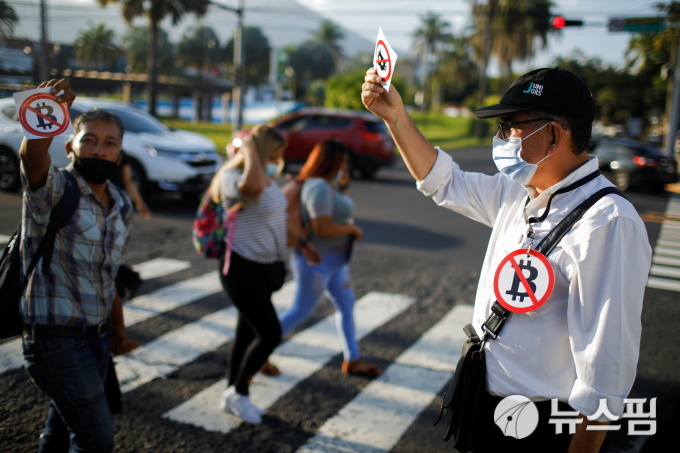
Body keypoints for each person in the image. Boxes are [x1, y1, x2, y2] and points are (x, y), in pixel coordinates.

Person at [361, 67, 652, 452]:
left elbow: (605, 371)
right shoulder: (518, 193)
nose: (501, 138)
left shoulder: (608, 222)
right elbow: (443, 181)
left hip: (538, 427)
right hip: (483, 404)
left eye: (511, 126)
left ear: (553, 133)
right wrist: (394, 116)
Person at [19, 79, 139, 452]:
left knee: (59, 432)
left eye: (109, 143)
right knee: (95, 438)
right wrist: (44, 108)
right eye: (88, 139)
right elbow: (31, 158)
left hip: (97, 338)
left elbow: (110, 274)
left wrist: (117, 331)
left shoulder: (121, 203)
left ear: (119, 155)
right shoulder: (55, 190)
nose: (98, 150)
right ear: (70, 145)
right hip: (55, 342)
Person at [215, 124, 318, 425]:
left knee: (245, 332)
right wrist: (248, 150)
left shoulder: (268, 179)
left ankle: (231, 393)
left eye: (279, 153)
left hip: (264, 269)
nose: (278, 159)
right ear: (258, 153)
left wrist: (303, 243)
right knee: (270, 333)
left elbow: (280, 217)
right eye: (272, 154)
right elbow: (252, 190)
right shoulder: (232, 177)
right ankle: (240, 393)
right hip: (240, 268)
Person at [278, 139, 381, 377]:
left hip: (336, 262)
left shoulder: (329, 184)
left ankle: (353, 359)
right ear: (332, 161)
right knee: (300, 311)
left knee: (346, 305)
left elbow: (335, 215)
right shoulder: (318, 186)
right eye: (343, 160)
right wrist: (352, 230)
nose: (346, 163)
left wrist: (342, 188)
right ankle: (259, 351)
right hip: (316, 262)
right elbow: (321, 227)